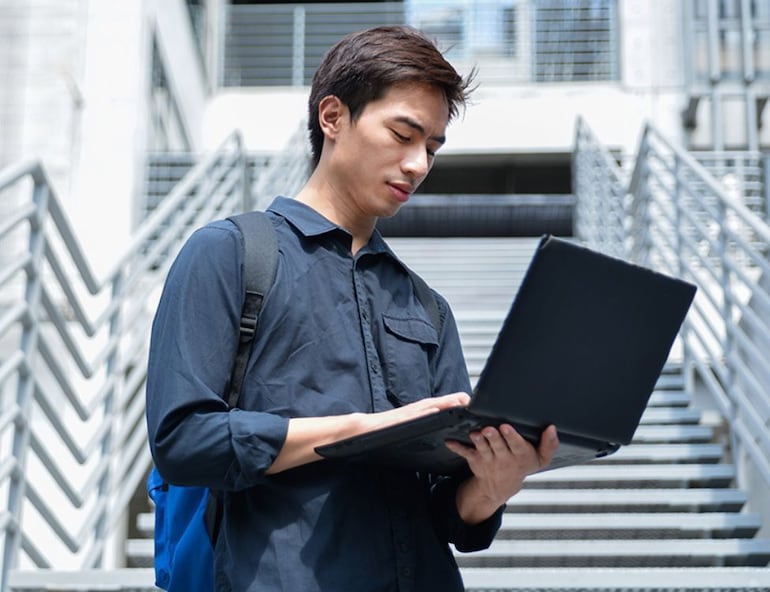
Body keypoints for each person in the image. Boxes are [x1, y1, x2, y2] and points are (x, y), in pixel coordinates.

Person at [146, 25, 559, 592]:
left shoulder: (428, 306)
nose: (418, 165)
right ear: (333, 117)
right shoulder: (230, 254)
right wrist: (361, 431)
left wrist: (495, 482)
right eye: (403, 134)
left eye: (433, 148)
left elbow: (449, 515)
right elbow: (182, 442)